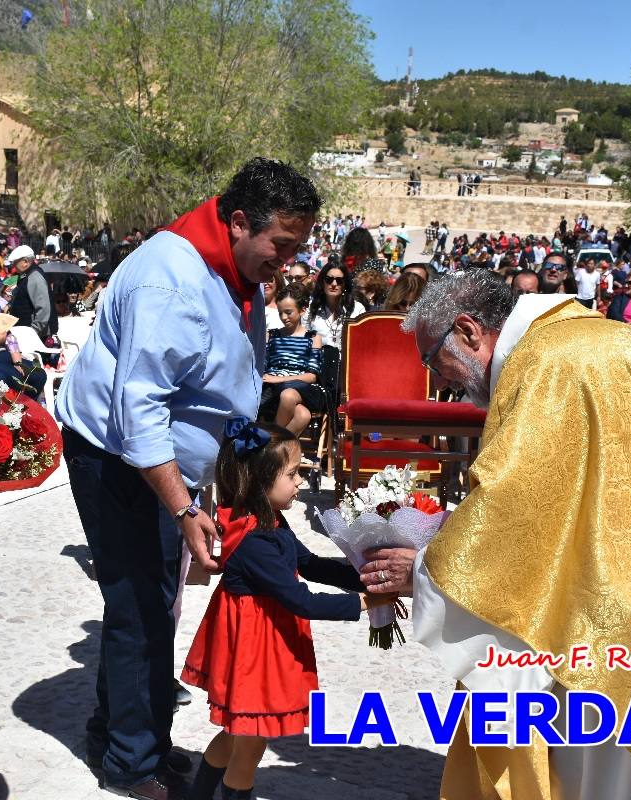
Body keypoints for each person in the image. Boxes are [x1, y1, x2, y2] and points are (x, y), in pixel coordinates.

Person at [364, 270, 631, 798]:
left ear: (471, 331)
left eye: (434, 361)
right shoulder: (602, 339)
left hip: (607, 628)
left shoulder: (545, 366)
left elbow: (511, 509)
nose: (440, 382)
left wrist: (421, 570)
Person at [56, 158, 318, 799]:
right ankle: (129, 759)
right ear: (237, 222)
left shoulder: (235, 271)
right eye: (280, 246)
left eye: (296, 248)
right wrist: (182, 508)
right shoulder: (169, 281)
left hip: (163, 458)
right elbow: (139, 410)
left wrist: (269, 446)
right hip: (116, 455)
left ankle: (126, 728)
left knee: (153, 604)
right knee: (139, 603)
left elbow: (219, 395)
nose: (285, 263)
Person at [181, 420, 384, 800]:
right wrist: (361, 603)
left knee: (236, 731)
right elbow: (300, 600)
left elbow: (306, 562)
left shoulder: (268, 520)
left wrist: (363, 575)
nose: (300, 482)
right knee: (254, 740)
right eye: (292, 474)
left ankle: (198, 794)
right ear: (260, 480)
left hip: (260, 637)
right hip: (255, 651)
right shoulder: (256, 540)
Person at [259, 285, 324, 437]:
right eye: (280, 313)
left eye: (288, 312)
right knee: (303, 416)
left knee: (288, 395)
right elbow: (263, 366)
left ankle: (270, 441)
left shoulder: (312, 338)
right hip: (272, 390)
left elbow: (311, 376)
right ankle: (279, 456)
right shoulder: (272, 335)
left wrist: (280, 379)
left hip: (300, 388)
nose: (283, 317)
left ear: (302, 310)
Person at [5, 245, 57, 341]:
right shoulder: (26, 275)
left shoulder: (35, 277)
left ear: (25, 262)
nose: (13, 266)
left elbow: (43, 309)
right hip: (24, 333)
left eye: (15, 262)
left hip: (35, 337)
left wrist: (32, 332)